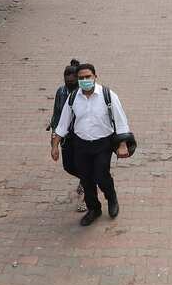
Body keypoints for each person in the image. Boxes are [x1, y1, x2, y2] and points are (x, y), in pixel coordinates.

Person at [50, 64, 131, 226]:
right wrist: (55, 145)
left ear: (95, 76)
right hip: (81, 145)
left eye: (88, 77)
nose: (85, 80)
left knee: (101, 175)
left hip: (103, 143)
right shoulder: (73, 98)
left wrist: (123, 144)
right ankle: (94, 208)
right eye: (82, 78)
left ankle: (111, 198)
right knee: (86, 178)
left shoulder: (108, 95)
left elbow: (121, 121)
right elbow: (63, 123)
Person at [48, 60, 86, 212]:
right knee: (68, 165)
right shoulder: (61, 92)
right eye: (66, 77)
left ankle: (86, 194)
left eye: (72, 78)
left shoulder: (84, 93)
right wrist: (54, 142)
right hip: (66, 136)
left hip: (83, 136)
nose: (69, 80)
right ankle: (87, 178)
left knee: (83, 163)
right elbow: (56, 115)